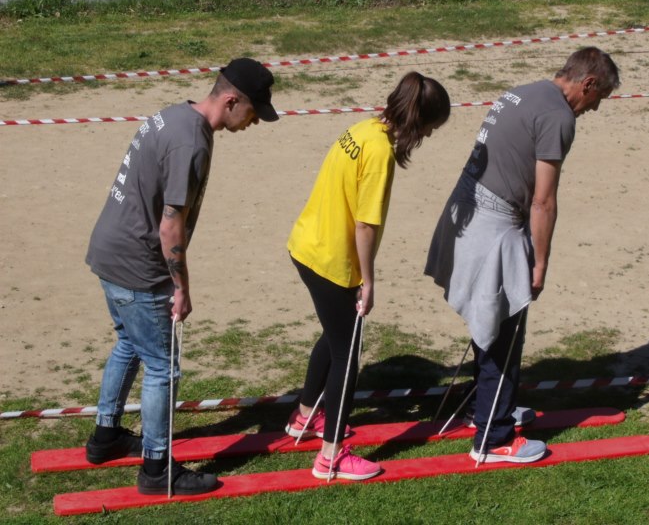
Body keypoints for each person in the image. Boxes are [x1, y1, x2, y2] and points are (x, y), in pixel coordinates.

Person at [84, 58, 280, 495]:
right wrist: (180, 287)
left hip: (110, 250)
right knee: (162, 368)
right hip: (138, 264)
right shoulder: (193, 143)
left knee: (130, 344)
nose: (254, 123)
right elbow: (170, 226)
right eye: (253, 112)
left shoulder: (174, 114)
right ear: (232, 101)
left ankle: (105, 436)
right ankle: (156, 469)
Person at [425, 47, 620, 464]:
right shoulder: (559, 116)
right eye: (597, 99)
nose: (594, 109)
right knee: (505, 332)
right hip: (493, 226)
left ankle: (489, 409)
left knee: (493, 323)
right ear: (587, 83)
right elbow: (543, 202)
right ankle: (493, 439)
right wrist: (540, 263)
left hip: (466, 212)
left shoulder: (522, 91)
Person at [285, 72, 451, 481]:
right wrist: (368, 280)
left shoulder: (362, 128)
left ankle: (304, 416)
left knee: (335, 332)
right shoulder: (380, 153)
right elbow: (365, 226)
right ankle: (331, 457)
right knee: (348, 350)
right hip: (329, 260)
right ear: (419, 121)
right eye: (431, 127)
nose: (429, 136)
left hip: (306, 245)